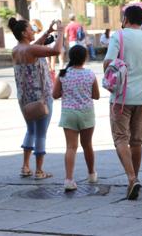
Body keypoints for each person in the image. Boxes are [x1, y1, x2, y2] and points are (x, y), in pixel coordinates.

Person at [103, 5, 142, 200]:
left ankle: (132, 178)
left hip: (120, 97)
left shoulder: (119, 36)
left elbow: (108, 62)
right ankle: (136, 177)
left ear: (126, 19)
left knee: (121, 139)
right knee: (137, 141)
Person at [9, 17, 64, 179]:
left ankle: (25, 167)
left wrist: (47, 32)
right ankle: (39, 171)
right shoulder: (30, 50)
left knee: (31, 130)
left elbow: (34, 47)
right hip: (41, 97)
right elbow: (56, 50)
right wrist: (61, 32)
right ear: (24, 33)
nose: (33, 30)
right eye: (30, 29)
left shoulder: (17, 49)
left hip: (24, 98)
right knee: (41, 133)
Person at [53, 45, 100, 191]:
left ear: (70, 57)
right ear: (85, 57)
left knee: (71, 147)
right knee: (87, 145)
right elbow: (96, 96)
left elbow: (55, 95)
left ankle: (68, 180)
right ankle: (92, 174)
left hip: (69, 114)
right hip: (86, 113)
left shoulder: (63, 75)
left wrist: (66, 91)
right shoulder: (90, 75)